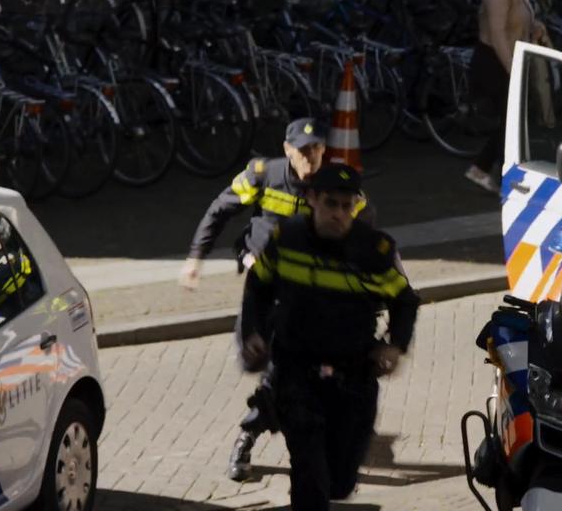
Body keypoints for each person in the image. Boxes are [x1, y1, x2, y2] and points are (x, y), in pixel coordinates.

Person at [179, 117, 370, 481]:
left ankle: (248, 436)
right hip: (263, 290)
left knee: (285, 372)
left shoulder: (334, 185)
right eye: (302, 151)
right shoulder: (263, 173)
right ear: (287, 150)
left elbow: (359, 227)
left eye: (316, 151)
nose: (309, 158)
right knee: (263, 365)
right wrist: (195, 259)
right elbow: (220, 210)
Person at [242, 164, 419, 510]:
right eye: (331, 204)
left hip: (352, 377)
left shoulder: (373, 251)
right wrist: (255, 332)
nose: (339, 214)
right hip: (297, 371)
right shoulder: (287, 238)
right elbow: (258, 285)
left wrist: (395, 344)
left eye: (346, 206)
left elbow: (405, 300)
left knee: (339, 480)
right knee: (309, 470)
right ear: (311, 199)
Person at [464, 0, 547, 193]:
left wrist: (534, 25)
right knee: (512, 123)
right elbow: (497, 34)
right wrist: (512, 69)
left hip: (511, 58)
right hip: (495, 62)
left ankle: (484, 169)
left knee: (513, 122)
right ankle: (502, 176)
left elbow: (518, 20)